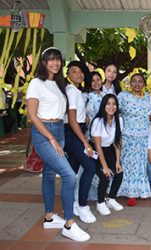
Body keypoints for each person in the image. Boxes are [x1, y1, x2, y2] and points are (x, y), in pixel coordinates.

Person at [26, 47, 90, 241]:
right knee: (69, 175)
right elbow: (32, 115)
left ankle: (49, 217)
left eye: (58, 59)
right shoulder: (36, 83)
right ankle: (69, 224)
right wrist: (51, 139)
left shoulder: (59, 84)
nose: (55, 63)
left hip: (59, 129)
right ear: (44, 62)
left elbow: (63, 111)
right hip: (44, 132)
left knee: (48, 174)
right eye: (51, 59)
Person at [117, 72, 151, 205]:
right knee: (128, 164)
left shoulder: (148, 97)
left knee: (141, 166)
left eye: (140, 81)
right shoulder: (123, 96)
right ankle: (130, 193)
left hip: (144, 137)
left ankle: (139, 191)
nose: (137, 84)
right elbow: (113, 110)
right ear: (130, 83)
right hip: (128, 136)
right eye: (134, 81)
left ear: (144, 84)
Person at [64, 61, 97, 224]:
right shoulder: (72, 91)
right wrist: (85, 142)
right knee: (90, 166)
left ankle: (71, 205)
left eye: (80, 71)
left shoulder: (75, 91)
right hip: (73, 135)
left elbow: (75, 115)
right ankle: (82, 206)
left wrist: (85, 117)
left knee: (73, 171)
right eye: (73, 71)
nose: (78, 74)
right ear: (68, 75)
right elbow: (71, 120)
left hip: (76, 132)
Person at [90, 94, 124, 215]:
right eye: (108, 104)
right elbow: (98, 146)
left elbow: (118, 141)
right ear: (104, 106)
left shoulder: (119, 120)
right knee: (105, 175)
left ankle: (111, 198)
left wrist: (117, 161)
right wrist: (104, 167)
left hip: (109, 149)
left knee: (119, 172)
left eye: (114, 104)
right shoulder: (98, 121)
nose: (111, 106)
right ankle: (100, 203)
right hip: (95, 151)